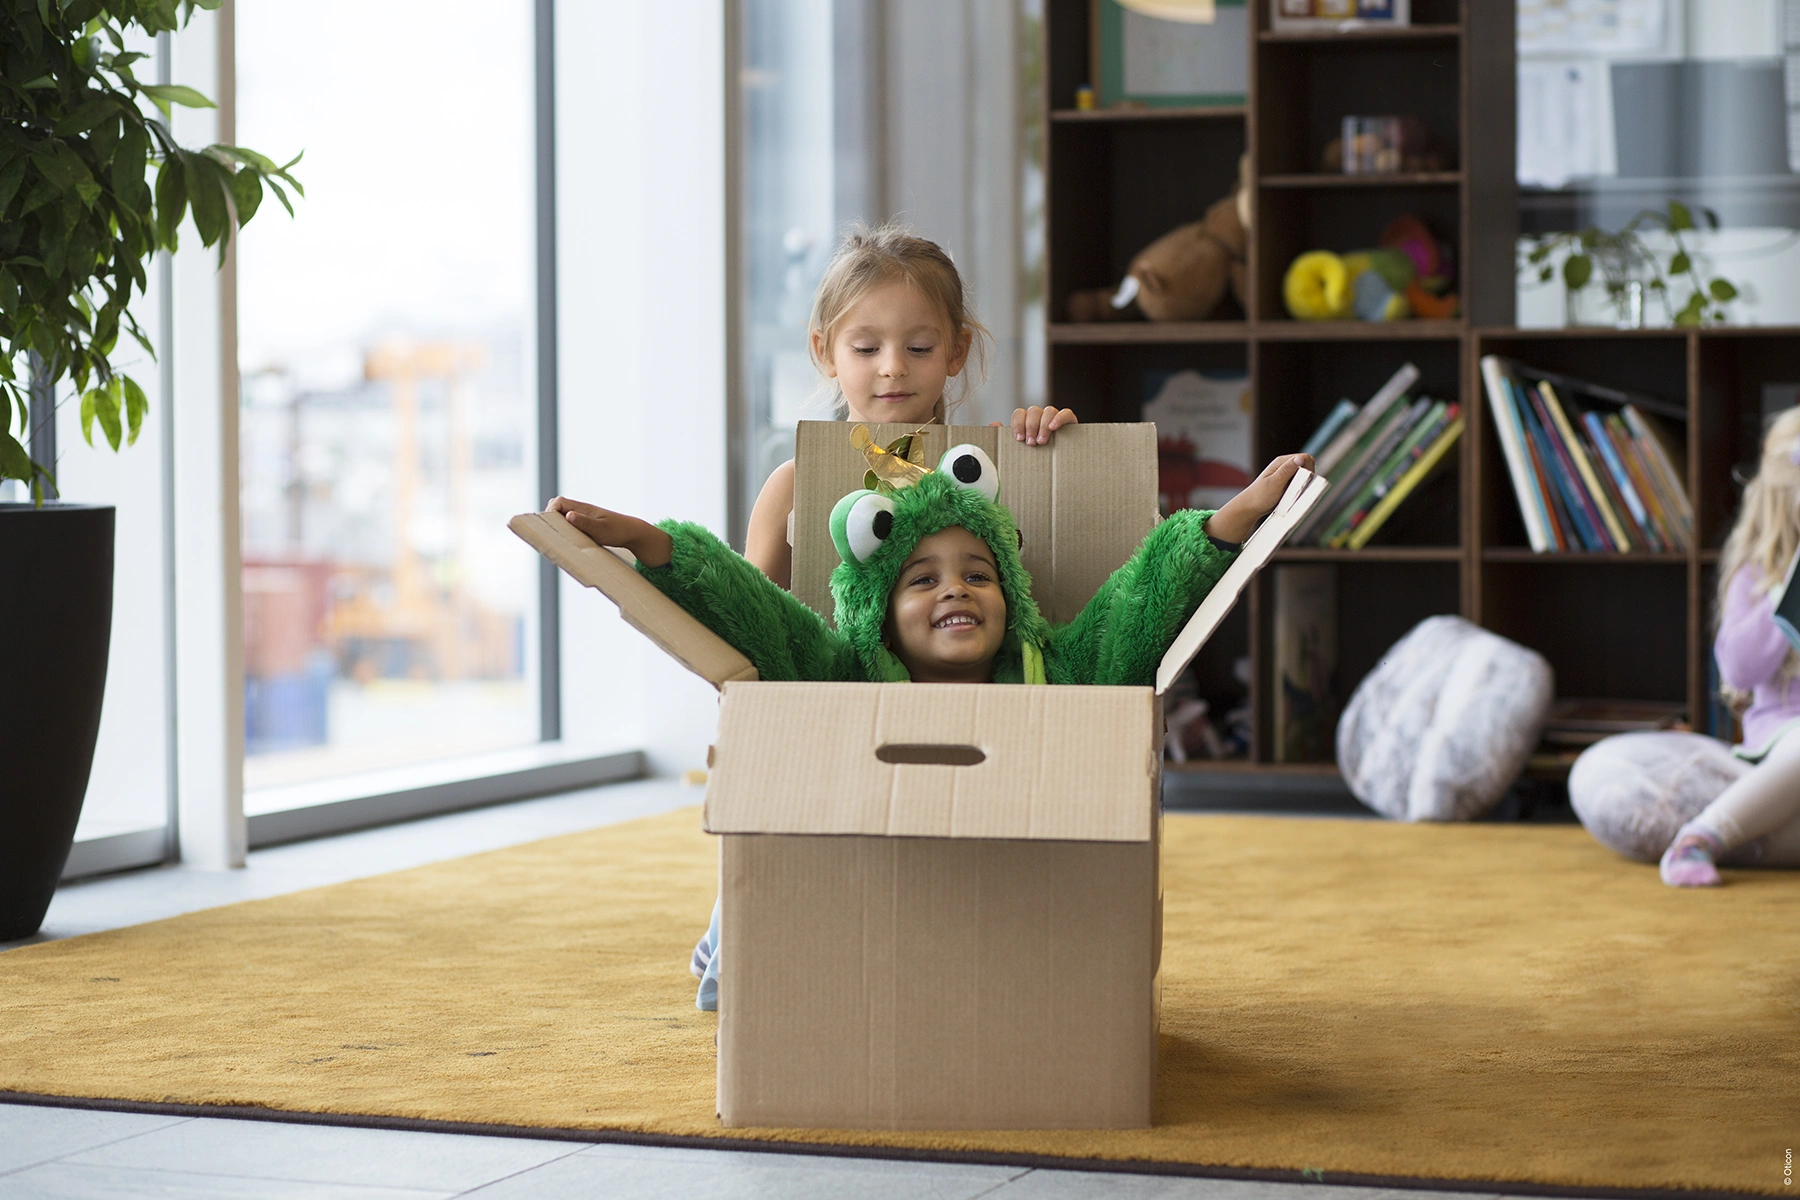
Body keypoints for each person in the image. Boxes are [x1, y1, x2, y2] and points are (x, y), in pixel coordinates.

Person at [549, 436, 1313, 1003]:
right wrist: (655, 546)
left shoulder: (1052, 671)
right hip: (866, 921)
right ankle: (728, 938)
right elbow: (761, 621)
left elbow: (1133, 606)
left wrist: (1224, 527)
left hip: (1015, 920)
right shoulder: (845, 677)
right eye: (923, 581)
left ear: (1009, 596)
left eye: (979, 575)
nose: (957, 590)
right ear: (879, 613)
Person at [745, 223, 1078, 589]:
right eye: (866, 349)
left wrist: (1049, 453)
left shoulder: (986, 472)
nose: (893, 368)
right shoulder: (793, 486)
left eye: (919, 348)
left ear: (956, 352)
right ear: (824, 352)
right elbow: (750, 624)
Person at [1659, 407, 1800, 886]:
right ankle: (1700, 838)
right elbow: (1740, 672)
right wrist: (1789, 591)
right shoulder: (1756, 575)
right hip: (1784, 736)